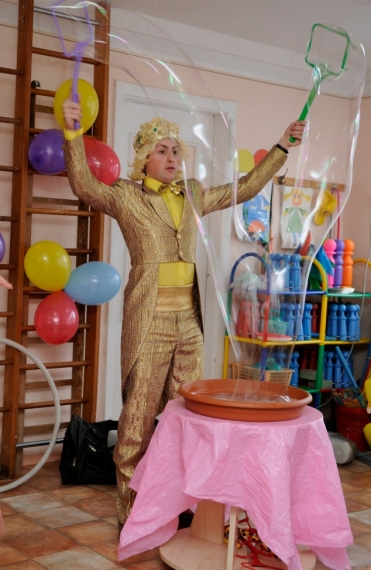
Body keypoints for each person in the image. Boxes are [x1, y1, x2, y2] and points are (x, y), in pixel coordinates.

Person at [62, 99, 305, 527]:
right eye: (162, 150)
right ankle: (133, 511)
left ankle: (183, 504)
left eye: (175, 150)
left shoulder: (193, 193)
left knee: (190, 416)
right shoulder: (126, 196)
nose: (171, 157)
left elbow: (245, 187)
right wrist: (73, 134)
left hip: (189, 324)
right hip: (149, 321)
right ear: (144, 159)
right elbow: (84, 185)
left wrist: (282, 146)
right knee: (137, 420)